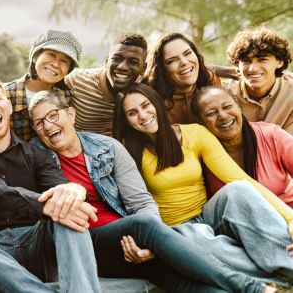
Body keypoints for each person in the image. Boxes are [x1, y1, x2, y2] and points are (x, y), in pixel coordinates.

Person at [28, 89, 276, 293]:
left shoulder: (107, 147)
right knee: (142, 226)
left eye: (52, 115)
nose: (47, 126)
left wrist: (148, 247)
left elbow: (141, 202)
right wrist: (147, 233)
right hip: (86, 242)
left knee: (181, 283)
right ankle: (251, 287)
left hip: (129, 242)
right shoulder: (36, 158)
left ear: (70, 114)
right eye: (39, 123)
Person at [113, 83, 293, 279]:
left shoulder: (195, 133)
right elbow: (133, 204)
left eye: (146, 105)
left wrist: (291, 218)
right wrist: (154, 241)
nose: (142, 115)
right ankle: (271, 279)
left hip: (208, 215)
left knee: (238, 189)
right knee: (199, 239)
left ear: (156, 103)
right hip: (174, 230)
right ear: (127, 121)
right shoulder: (126, 151)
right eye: (132, 113)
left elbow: (241, 179)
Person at [0, 71, 100, 293]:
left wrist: (73, 191)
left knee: (67, 211)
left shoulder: (36, 153)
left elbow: (60, 188)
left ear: (9, 107)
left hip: (36, 241)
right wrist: (43, 204)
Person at [192, 85, 293, 205]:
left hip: (287, 212)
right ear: (201, 122)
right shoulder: (199, 154)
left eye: (227, 107)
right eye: (211, 113)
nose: (223, 116)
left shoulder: (272, 135)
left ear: (239, 107)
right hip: (236, 221)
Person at [5, 29, 82, 141]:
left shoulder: (66, 96)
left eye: (64, 61)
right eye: (51, 54)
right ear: (35, 56)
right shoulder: (6, 94)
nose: (56, 64)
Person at [64, 33, 147, 136]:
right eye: (117, 58)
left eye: (133, 62)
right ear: (107, 62)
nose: (123, 67)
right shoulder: (76, 81)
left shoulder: (144, 93)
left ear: (143, 68)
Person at [222, 27, 293, 134]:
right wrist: (217, 70)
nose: (252, 69)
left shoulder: (290, 92)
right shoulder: (225, 93)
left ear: (280, 62)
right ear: (237, 65)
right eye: (246, 61)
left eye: (262, 60)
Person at [145, 33, 220, 124]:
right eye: (172, 60)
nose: (184, 62)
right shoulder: (150, 101)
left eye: (187, 53)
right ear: (161, 69)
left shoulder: (212, 82)